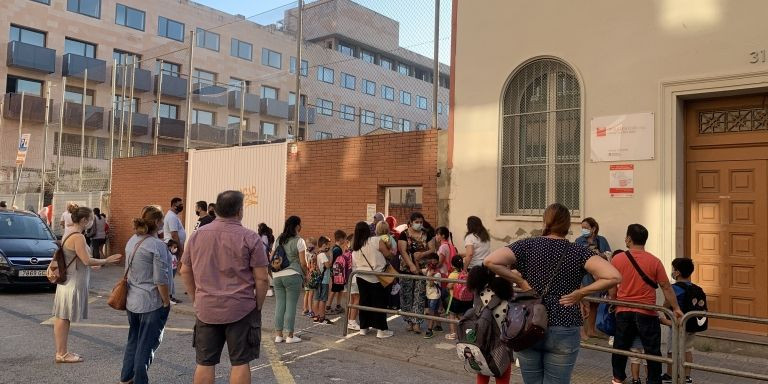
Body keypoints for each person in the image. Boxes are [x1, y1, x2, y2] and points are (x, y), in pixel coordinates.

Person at [484, 203, 622, 383]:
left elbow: (490, 261)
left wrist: (521, 282)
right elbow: (614, 276)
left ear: (545, 222)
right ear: (567, 225)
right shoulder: (578, 251)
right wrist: (581, 292)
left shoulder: (527, 245)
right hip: (564, 322)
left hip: (527, 322)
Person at [180, 190, 269, 384]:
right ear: (239, 211)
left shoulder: (197, 236)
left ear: (217, 209)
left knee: (205, 362)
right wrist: (258, 304)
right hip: (241, 308)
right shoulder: (250, 238)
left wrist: (196, 298)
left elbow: (185, 271)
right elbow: (262, 279)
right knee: (240, 363)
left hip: (206, 308)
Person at [609, 224, 684, 384]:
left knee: (620, 348)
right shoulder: (654, 261)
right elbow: (666, 287)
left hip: (623, 311)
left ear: (629, 239)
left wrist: (613, 300)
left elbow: (611, 284)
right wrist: (676, 308)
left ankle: (618, 378)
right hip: (647, 312)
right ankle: (653, 380)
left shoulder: (617, 259)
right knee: (652, 351)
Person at [52, 207, 123, 363]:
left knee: (62, 316)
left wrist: (93, 264)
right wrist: (106, 260)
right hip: (73, 281)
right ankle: (62, 353)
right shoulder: (78, 237)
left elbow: (79, 258)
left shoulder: (68, 233)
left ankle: (62, 351)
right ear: (84, 220)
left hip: (67, 280)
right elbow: (86, 260)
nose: (92, 222)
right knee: (64, 317)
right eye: (91, 219)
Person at [119, 206, 172, 384]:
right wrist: (166, 301)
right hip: (151, 302)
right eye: (162, 220)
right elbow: (160, 279)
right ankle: (140, 380)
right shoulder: (156, 245)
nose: (163, 223)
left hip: (132, 300)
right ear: (157, 222)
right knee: (146, 345)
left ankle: (126, 378)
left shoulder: (132, 240)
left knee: (133, 340)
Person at [465, 263, 515, 384]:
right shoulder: (503, 289)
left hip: (482, 339)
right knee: (502, 372)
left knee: (482, 370)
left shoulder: (477, 294)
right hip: (503, 339)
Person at [351, 221, 394, 338]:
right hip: (377, 276)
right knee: (379, 303)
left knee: (364, 302)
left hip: (361, 276)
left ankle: (363, 328)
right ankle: (381, 330)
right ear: (368, 230)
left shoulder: (355, 246)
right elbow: (388, 254)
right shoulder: (375, 241)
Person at [660, 258, 698, 384]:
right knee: (688, 349)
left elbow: (665, 304)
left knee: (671, 350)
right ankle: (687, 377)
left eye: (674, 269)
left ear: (677, 272)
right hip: (691, 325)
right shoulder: (696, 288)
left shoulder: (674, 288)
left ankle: (670, 375)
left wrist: (662, 315)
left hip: (676, 325)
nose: (672, 272)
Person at [272, 216, 309, 344]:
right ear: (297, 226)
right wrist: (307, 275)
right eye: (300, 224)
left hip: (277, 275)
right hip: (292, 274)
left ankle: (278, 335)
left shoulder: (278, 240)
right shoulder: (299, 241)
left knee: (280, 304)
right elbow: (303, 263)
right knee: (291, 305)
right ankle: (290, 335)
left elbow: (272, 257)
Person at [397, 212, 436, 333]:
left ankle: (417, 322)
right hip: (406, 268)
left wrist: (422, 254)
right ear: (411, 222)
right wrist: (411, 265)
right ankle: (408, 321)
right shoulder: (404, 235)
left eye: (421, 222)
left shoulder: (426, 234)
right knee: (406, 295)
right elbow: (402, 251)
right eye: (416, 222)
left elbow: (432, 248)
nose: (419, 224)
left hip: (422, 270)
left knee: (419, 295)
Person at [575, 217, 612, 340]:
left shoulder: (601, 240)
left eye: (586, 228)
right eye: (582, 228)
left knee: (595, 303)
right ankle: (582, 332)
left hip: (598, 277)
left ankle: (591, 330)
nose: (583, 230)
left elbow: (609, 255)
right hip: (584, 276)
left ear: (593, 228)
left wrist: (600, 255)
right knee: (584, 303)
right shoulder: (579, 241)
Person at [163, 197, 186, 305]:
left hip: (173, 246)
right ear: (173, 205)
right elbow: (174, 234)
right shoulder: (171, 217)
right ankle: (168, 296)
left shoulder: (173, 216)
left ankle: (169, 294)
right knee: (171, 272)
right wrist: (180, 248)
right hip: (172, 247)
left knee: (172, 272)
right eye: (179, 204)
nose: (181, 206)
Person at [445, 255, 472, 340]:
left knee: (452, 315)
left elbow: (449, 286)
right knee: (462, 316)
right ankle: (466, 334)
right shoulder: (466, 273)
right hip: (466, 299)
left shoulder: (453, 274)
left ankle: (453, 333)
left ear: (452, 265)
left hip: (455, 298)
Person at [312, 236, 333, 324]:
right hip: (323, 280)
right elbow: (328, 266)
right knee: (323, 299)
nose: (328, 247)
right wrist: (331, 256)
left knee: (316, 298)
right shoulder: (323, 255)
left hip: (318, 280)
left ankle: (316, 317)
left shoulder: (317, 254)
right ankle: (322, 317)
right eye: (328, 245)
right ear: (324, 245)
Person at [327, 230, 347, 315]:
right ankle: (328, 306)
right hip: (337, 274)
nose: (345, 241)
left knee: (340, 290)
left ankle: (338, 305)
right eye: (344, 239)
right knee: (334, 290)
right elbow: (338, 262)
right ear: (340, 239)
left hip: (337, 273)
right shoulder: (337, 250)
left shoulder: (334, 248)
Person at [422, 254, 442, 339]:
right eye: (430, 260)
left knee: (431, 312)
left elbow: (431, 283)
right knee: (436, 311)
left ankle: (429, 330)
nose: (431, 262)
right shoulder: (427, 270)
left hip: (435, 295)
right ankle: (438, 326)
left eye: (433, 260)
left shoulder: (437, 274)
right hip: (430, 295)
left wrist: (430, 276)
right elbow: (418, 270)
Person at [301, 237, 317, 318]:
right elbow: (311, 266)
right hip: (310, 275)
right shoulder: (311, 254)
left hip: (306, 275)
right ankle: (310, 310)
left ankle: (305, 309)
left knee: (307, 293)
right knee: (310, 293)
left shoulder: (307, 253)